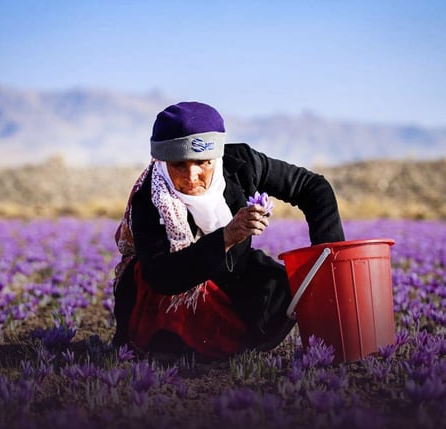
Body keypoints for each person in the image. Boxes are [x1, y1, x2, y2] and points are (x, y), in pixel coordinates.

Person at [112, 101, 345, 358]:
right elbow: (161, 274)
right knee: (175, 340)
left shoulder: (240, 164)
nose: (192, 176)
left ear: (216, 157)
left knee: (282, 287)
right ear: (162, 160)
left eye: (203, 162)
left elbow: (313, 188)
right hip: (170, 285)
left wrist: (328, 260)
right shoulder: (151, 197)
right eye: (178, 164)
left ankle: (229, 343)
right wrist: (226, 237)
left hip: (230, 272)